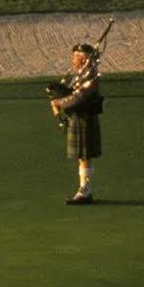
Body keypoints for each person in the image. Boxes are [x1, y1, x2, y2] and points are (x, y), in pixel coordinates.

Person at [47, 42, 104, 205]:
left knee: (84, 156)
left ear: (84, 59)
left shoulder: (90, 77)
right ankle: (84, 189)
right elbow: (73, 93)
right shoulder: (81, 75)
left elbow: (79, 98)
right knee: (82, 157)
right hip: (78, 118)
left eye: (76, 57)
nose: (73, 61)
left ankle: (85, 191)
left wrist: (59, 103)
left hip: (84, 118)